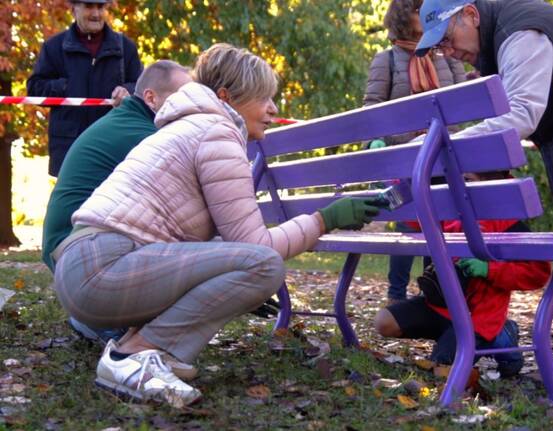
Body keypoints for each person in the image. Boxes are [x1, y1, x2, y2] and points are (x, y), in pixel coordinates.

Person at [51, 43, 381, 405]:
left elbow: (227, 243)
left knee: (247, 263)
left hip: (84, 267)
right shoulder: (217, 132)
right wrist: (324, 219)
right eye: (264, 97)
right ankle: (137, 355)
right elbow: (258, 250)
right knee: (264, 266)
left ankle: (136, 350)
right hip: (104, 270)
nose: (273, 109)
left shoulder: (190, 127)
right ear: (226, 96)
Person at [414, 0, 553, 387]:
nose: (449, 52)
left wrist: (444, 144)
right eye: (440, 48)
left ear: (471, 14)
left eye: (448, 39)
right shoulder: (509, 33)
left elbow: (522, 113)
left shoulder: (521, 34)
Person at [41, 60, 192, 348]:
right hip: (75, 250)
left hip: (68, 244)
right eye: (181, 97)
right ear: (151, 98)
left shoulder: (128, 122)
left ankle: (103, 318)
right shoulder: (144, 137)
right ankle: (106, 320)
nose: (189, 105)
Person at [375, 171, 551, 377]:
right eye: (456, 178)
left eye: (468, 180)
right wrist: (406, 183)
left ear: (492, 182)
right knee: (383, 322)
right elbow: (414, 219)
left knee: (441, 373)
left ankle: (502, 336)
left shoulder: (508, 222)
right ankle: (455, 338)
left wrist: (489, 269)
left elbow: (538, 272)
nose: (459, 186)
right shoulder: (448, 209)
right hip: (439, 306)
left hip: (478, 317)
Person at [363, 0, 466, 304]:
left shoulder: (447, 59)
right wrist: (379, 140)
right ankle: (396, 295)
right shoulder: (386, 59)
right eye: (415, 9)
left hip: (443, 158)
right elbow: (372, 106)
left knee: (438, 225)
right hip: (402, 160)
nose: (423, 14)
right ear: (401, 17)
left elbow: (464, 104)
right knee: (407, 224)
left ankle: (429, 296)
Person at [26, 0, 142, 177]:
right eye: (89, 6)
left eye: (100, 7)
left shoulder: (125, 47)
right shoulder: (54, 47)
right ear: (74, 9)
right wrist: (65, 86)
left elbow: (142, 88)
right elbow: (34, 89)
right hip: (69, 149)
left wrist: (127, 90)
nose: (96, 13)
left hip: (113, 147)